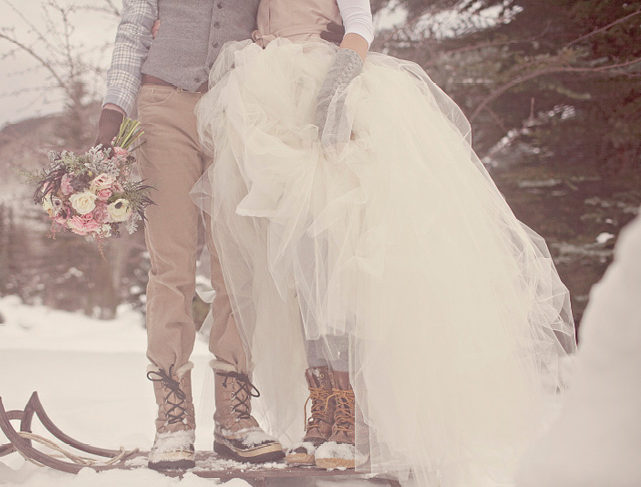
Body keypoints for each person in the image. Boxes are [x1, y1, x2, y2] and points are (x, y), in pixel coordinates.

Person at [192, 0, 577, 485]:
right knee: (302, 271)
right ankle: (324, 408)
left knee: (337, 264)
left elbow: (360, 22)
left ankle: (351, 414)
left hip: (327, 90)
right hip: (269, 101)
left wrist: (337, 88)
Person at [95, 0, 286, 470]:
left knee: (238, 267)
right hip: (163, 108)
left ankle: (234, 417)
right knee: (172, 265)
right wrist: (113, 110)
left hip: (236, 111)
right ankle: (173, 419)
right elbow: (134, 31)